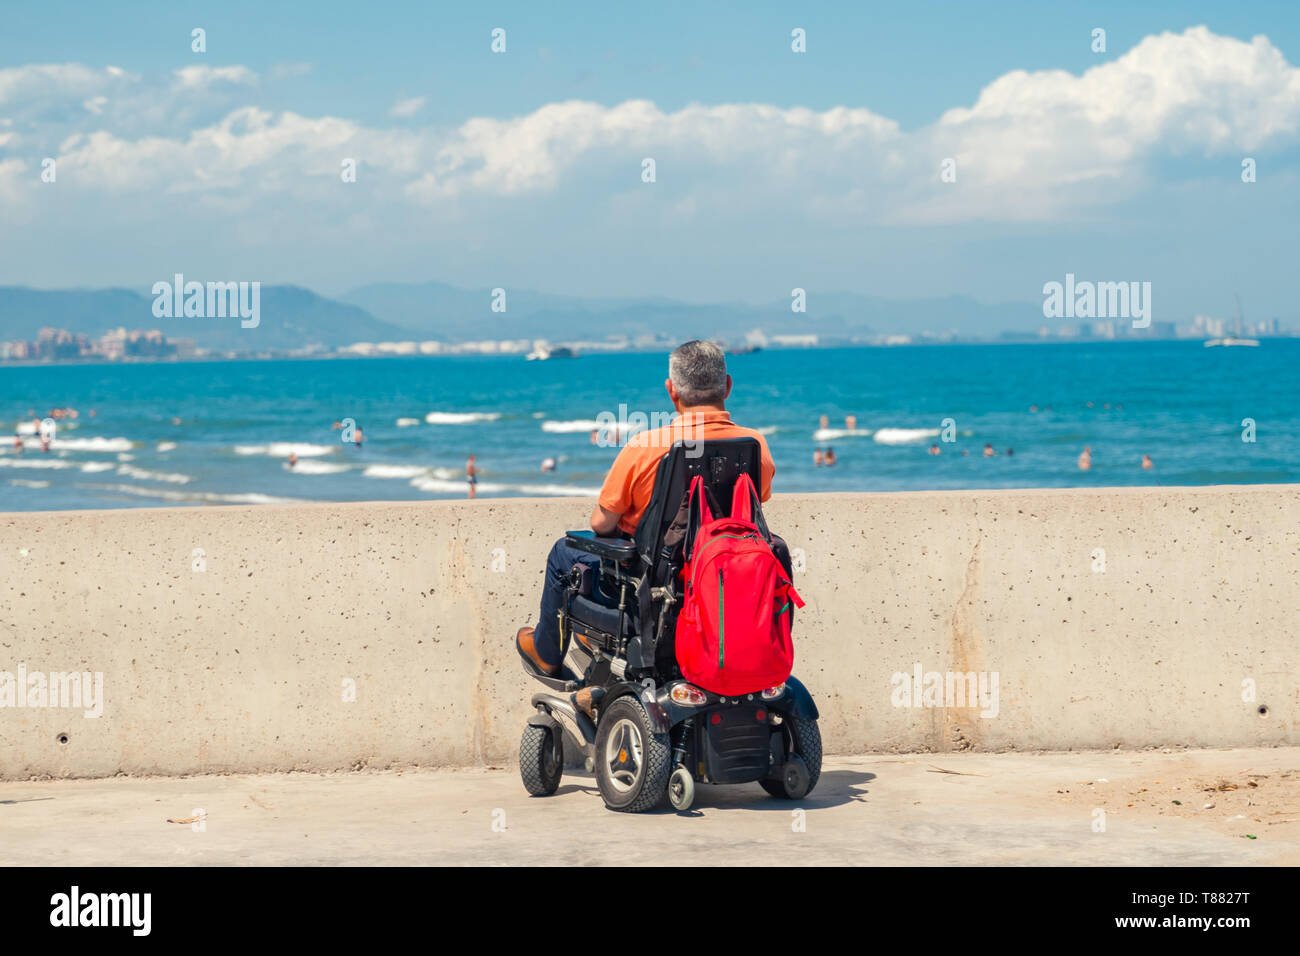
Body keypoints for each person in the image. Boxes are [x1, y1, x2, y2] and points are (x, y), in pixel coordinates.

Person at [515, 341, 775, 703]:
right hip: (725, 586)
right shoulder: (754, 445)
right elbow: (754, 502)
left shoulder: (645, 446)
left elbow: (602, 524)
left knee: (564, 553)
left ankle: (547, 654)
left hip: (653, 593)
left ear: (671, 391)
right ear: (728, 386)